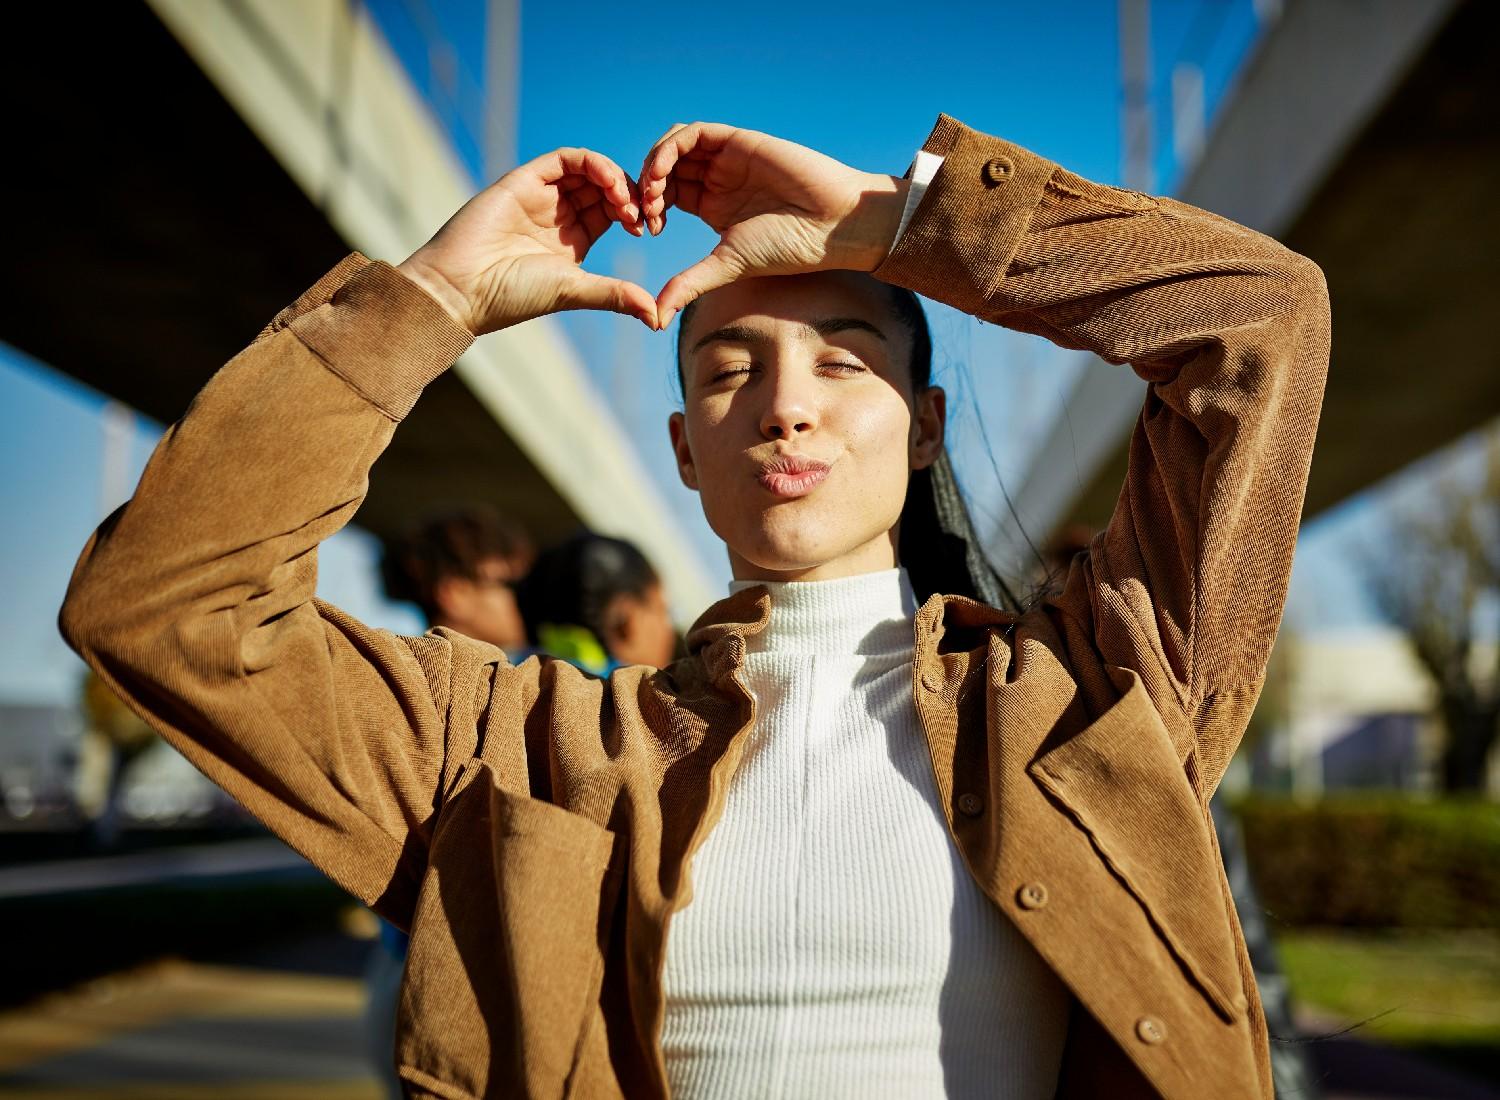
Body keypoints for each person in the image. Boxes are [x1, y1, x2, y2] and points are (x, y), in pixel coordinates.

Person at [59, 115, 1329, 1098]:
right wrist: (430, 301)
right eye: (731, 369)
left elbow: (1258, 323)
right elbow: (166, 603)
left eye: (844, 359)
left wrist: (906, 220)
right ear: (682, 447)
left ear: (926, 424)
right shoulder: (518, 752)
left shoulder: (1089, 699)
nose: (786, 403)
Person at [513, 532, 677, 675]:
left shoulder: (509, 670)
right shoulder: (616, 704)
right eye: (664, 611)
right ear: (627, 619)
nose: (670, 631)